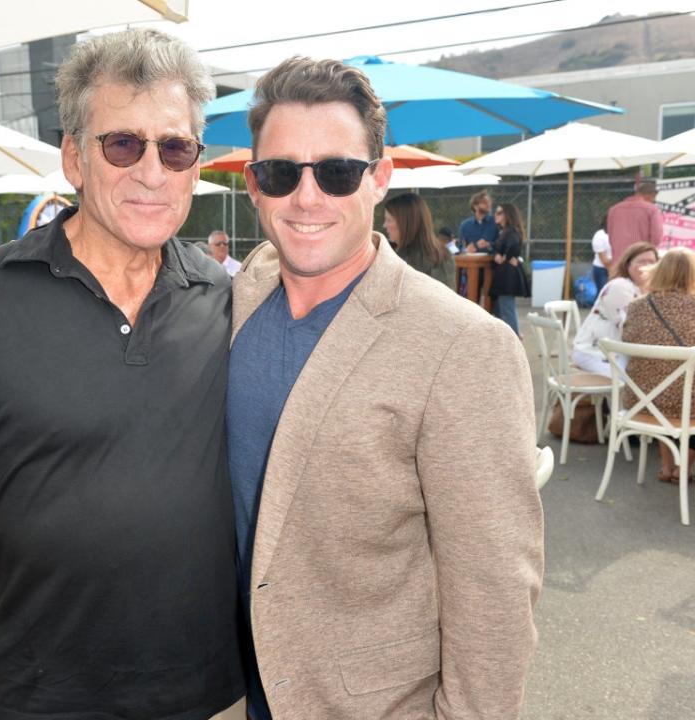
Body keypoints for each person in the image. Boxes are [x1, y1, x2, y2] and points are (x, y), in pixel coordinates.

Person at [0, 28, 244, 720]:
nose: (152, 170)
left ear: (195, 166)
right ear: (74, 158)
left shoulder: (227, 299)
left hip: (215, 696)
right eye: (123, 144)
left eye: (174, 148)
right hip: (41, 697)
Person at [231, 56, 542, 720]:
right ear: (254, 184)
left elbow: (494, 597)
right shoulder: (241, 293)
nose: (307, 198)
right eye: (281, 173)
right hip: (246, 694)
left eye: (338, 172)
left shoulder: (464, 347)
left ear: (380, 179)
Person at [621, 247, 695, 483]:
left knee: (662, 383)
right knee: (685, 393)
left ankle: (666, 466)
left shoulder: (636, 307)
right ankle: (683, 468)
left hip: (642, 402)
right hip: (686, 403)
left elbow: (626, 340)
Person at [572, 241, 659, 377]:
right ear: (627, 265)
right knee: (639, 380)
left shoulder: (646, 289)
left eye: (651, 262)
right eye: (641, 261)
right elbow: (630, 329)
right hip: (595, 353)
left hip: (616, 352)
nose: (647, 266)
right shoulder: (621, 286)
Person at [383, 192, 454, 288]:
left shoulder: (398, 259)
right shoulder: (443, 254)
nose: (385, 225)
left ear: (405, 223)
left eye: (389, 220)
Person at [490, 202, 528, 336]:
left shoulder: (511, 231)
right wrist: (497, 255)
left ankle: (515, 338)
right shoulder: (505, 231)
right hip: (505, 274)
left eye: (499, 212)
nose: (496, 215)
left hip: (508, 275)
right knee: (502, 309)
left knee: (507, 309)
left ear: (507, 215)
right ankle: (508, 339)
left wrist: (504, 257)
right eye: (496, 212)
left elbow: (514, 247)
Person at [607, 177, 663, 264]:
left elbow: (610, 237)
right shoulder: (652, 209)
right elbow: (656, 238)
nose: (653, 201)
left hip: (618, 260)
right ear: (650, 196)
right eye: (653, 199)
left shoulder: (613, 209)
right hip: (641, 259)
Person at [457, 189, 498, 253]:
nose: (488, 204)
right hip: (472, 261)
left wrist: (489, 245)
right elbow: (460, 246)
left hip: (492, 261)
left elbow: (503, 243)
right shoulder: (465, 225)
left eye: (489, 202)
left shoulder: (496, 222)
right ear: (475, 206)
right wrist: (466, 250)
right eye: (484, 202)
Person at [591, 215, 612, 292]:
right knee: (603, 293)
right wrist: (612, 271)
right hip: (602, 269)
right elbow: (604, 260)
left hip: (617, 268)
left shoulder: (620, 233)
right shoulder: (599, 235)